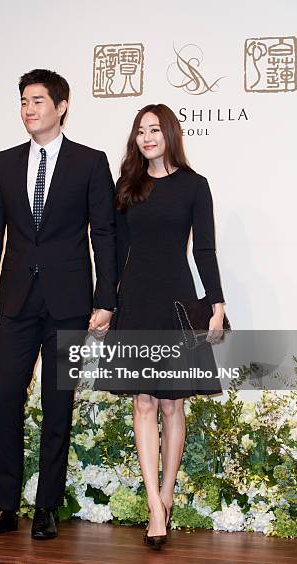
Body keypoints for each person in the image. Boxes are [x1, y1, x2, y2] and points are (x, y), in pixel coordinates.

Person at [0, 69, 117, 539]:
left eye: (37, 101)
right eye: (23, 102)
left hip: (69, 303)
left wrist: (105, 299)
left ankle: (47, 506)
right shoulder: (3, 163)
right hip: (14, 303)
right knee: (6, 400)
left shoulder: (90, 162)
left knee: (58, 404)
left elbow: (104, 234)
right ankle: (3, 507)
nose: (29, 110)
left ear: (61, 106)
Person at [100, 104, 226, 550]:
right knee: (143, 402)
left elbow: (205, 250)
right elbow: (114, 251)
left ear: (170, 133)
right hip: (135, 299)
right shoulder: (128, 185)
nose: (146, 137)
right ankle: (154, 503)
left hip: (175, 299)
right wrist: (106, 304)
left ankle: (167, 494)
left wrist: (216, 304)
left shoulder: (195, 186)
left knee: (173, 405)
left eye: (154, 129)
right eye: (140, 131)